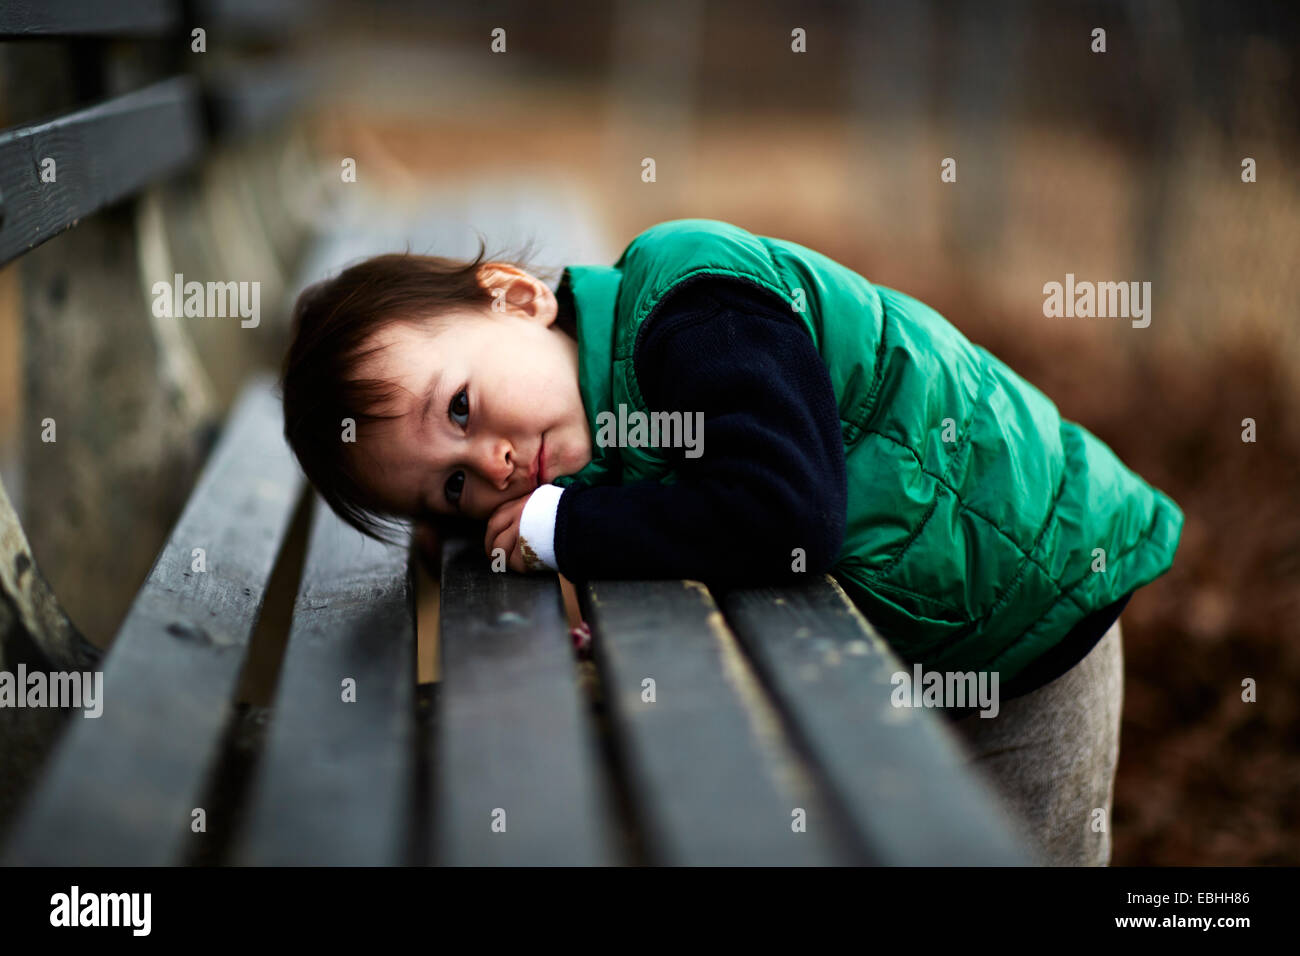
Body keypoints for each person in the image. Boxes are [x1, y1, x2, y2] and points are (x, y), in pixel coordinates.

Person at [280, 218, 1183, 865]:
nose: (498, 464)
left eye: (464, 410)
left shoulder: (693, 303)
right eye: (453, 484)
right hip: (915, 626)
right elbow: (695, 516)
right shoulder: (594, 425)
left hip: (1036, 606)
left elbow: (783, 515)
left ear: (516, 298)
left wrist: (572, 529)